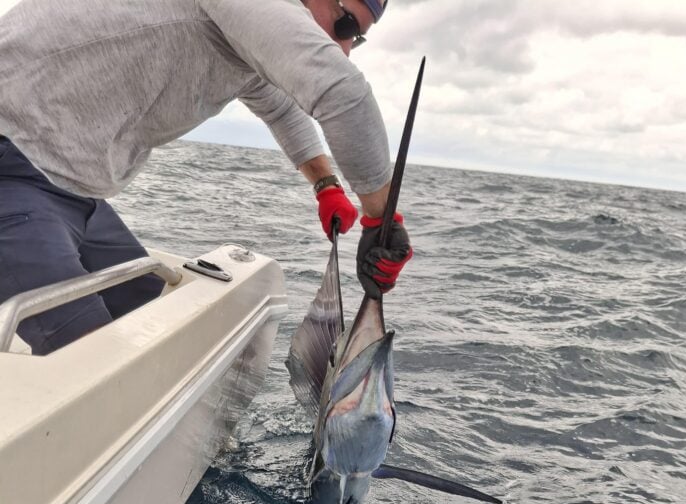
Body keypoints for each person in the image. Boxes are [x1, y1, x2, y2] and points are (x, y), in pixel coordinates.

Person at [0, 0, 412, 356]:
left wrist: (326, 187)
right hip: (10, 162)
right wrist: (381, 220)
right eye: (345, 25)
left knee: (150, 321)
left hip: (72, 190)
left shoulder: (243, 39)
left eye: (356, 39)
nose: (343, 49)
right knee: (92, 361)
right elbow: (342, 92)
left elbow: (281, 109)